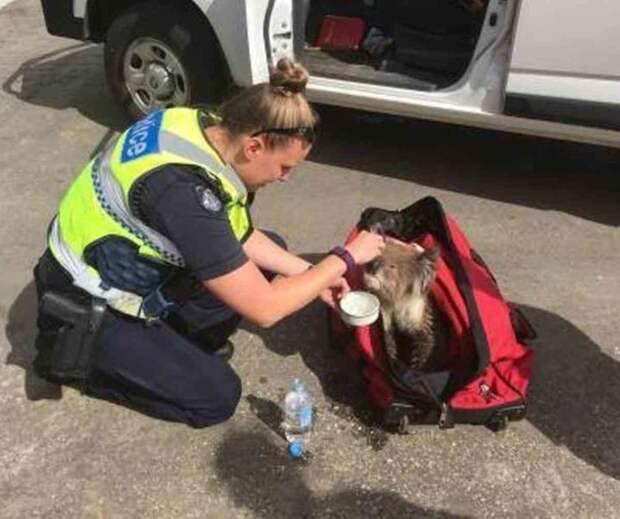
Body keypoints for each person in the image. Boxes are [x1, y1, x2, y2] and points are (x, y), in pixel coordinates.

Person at [33, 58, 385, 428]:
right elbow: (265, 309)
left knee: (273, 254)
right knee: (215, 397)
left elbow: (239, 234)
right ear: (253, 147)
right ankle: (77, 361)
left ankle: (172, 347)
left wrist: (311, 273)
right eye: (284, 167)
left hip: (121, 266)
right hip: (87, 299)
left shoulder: (202, 125)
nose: (284, 179)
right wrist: (343, 258)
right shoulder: (182, 193)